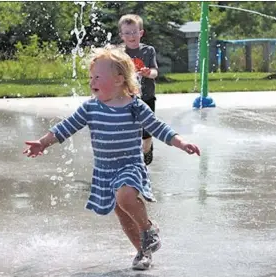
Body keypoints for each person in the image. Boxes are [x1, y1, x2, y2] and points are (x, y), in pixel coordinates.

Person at [23, 47, 200, 270]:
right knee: (124, 216)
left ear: (118, 80)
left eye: (98, 76)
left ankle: (148, 229)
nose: (92, 81)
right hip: (105, 171)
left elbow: (158, 127)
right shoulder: (90, 108)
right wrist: (43, 142)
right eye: (91, 77)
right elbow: (65, 127)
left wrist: (181, 143)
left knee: (126, 198)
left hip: (130, 165)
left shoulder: (134, 106)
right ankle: (142, 252)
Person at [118, 14, 159, 166]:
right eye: (127, 33)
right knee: (128, 130)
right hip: (127, 98)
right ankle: (133, 161)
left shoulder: (148, 51)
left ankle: (147, 151)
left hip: (147, 97)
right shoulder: (120, 54)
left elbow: (155, 71)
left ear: (141, 33)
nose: (131, 36)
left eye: (134, 32)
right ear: (121, 35)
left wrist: (149, 73)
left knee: (146, 133)